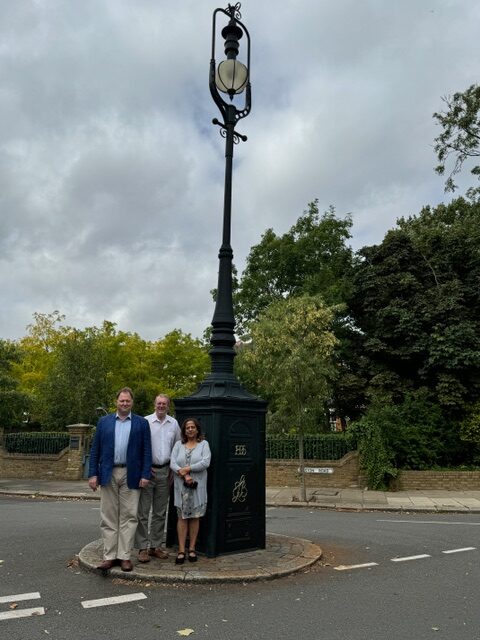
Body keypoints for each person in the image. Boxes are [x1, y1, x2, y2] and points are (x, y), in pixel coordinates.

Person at [88, 387, 152, 572]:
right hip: (108, 473)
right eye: (121, 400)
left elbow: (147, 451)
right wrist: (93, 474)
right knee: (108, 516)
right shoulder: (104, 422)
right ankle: (109, 556)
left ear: (132, 402)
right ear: (116, 402)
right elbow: (95, 450)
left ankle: (124, 556)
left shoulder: (141, 423)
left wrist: (145, 475)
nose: (124, 403)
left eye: (128, 401)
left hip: (131, 474)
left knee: (129, 516)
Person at [135, 394, 181, 563]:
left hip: (165, 471)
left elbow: (177, 447)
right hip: (148, 472)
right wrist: (143, 470)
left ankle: (155, 546)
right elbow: (138, 447)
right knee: (143, 513)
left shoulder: (174, 423)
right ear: (154, 405)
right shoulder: (145, 421)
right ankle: (141, 548)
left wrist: (173, 469)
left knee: (160, 512)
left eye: (164, 404)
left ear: (168, 406)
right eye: (159, 403)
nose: (161, 406)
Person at [170, 418, 211, 564]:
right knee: (182, 518)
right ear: (184, 430)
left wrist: (188, 469)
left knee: (195, 517)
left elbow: (206, 462)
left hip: (197, 487)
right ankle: (181, 550)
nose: (190, 429)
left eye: (193, 427)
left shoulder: (204, 444)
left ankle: (192, 548)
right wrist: (184, 475)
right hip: (182, 487)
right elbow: (173, 462)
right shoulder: (178, 445)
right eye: (187, 427)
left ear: (197, 429)